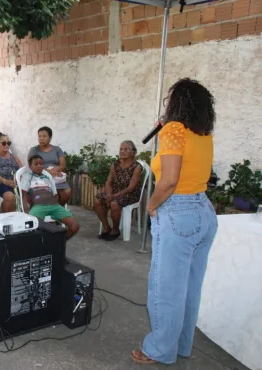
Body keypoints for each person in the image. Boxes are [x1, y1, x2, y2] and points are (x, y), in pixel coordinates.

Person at [132, 78, 218, 365]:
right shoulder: (203, 134)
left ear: (176, 104)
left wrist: (152, 206)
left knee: (167, 287)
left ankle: (158, 349)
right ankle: (181, 346)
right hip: (204, 211)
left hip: (178, 211)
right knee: (190, 287)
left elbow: (168, 180)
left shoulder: (173, 130)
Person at [93, 140, 143, 241]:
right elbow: (108, 182)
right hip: (114, 192)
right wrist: (108, 194)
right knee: (97, 200)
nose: (122, 151)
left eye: (125, 149)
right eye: (121, 149)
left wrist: (113, 196)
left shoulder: (137, 167)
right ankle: (106, 227)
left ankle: (115, 229)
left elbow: (131, 188)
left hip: (130, 194)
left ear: (133, 152)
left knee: (114, 203)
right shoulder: (115, 164)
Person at [20, 155, 79, 239]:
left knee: (75, 226)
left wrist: (56, 203)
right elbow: (24, 195)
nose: (39, 166)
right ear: (30, 166)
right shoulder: (28, 177)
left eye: (41, 164)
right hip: (38, 206)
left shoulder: (47, 176)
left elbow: (55, 193)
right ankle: (52, 233)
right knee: (34, 224)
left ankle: (58, 243)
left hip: (54, 206)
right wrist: (26, 211)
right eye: (36, 164)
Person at [28, 126, 72, 206]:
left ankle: (56, 210)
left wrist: (56, 169)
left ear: (50, 137)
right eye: (39, 136)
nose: (41, 138)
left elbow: (63, 165)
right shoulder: (34, 150)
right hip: (41, 176)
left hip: (56, 176)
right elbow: (31, 165)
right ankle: (52, 210)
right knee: (47, 194)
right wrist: (48, 172)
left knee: (67, 192)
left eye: (44, 136)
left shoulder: (57, 149)